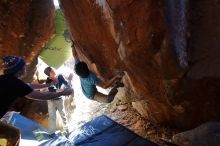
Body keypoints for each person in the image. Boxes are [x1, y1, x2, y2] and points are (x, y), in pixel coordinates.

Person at [0, 55, 73, 118]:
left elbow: (28, 85)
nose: (26, 67)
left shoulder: (5, 79)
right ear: (19, 70)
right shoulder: (16, 84)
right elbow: (43, 96)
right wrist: (62, 93)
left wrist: (48, 85)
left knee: (13, 133)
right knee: (14, 133)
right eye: (24, 66)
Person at [44, 67, 70, 134]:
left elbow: (65, 82)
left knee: (62, 114)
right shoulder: (48, 81)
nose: (53, 71)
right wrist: (59, 90)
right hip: (51, 100)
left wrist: (68, 86)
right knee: (52, 116)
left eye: (53, 69)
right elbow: (51, 90)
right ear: (49, 74)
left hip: (59, 99)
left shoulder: (60, 76)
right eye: (52, 71)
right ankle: (52, 132)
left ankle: (66, 129)